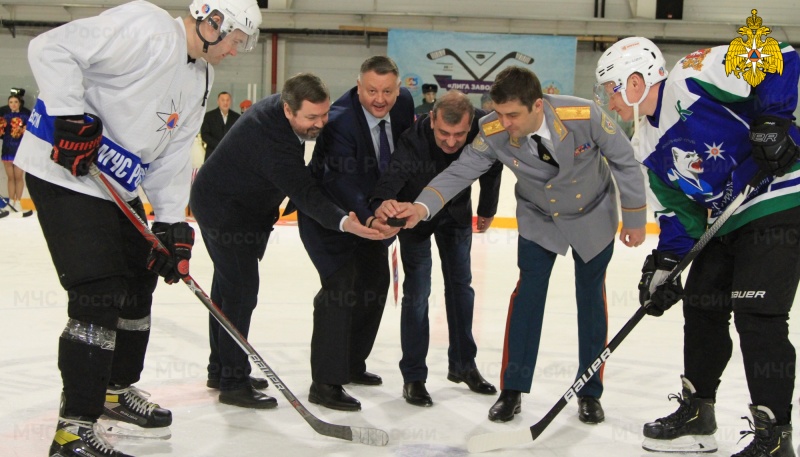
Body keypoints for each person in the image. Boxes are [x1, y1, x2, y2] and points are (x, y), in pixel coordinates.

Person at [14, 0, 262, 455]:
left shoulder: (201, 74)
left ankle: (114, 390)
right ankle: (73, 430)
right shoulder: (146, 26)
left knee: (139, 281)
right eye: (235, 40)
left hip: (115, 184)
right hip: (65, 171)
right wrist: (69, 112)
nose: (236, 51)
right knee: (98, 293)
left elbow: (170, 152)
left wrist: (170, 223)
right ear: (211, 22)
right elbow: (51, 48)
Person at [385, 66, 647, 424]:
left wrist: (634, 216)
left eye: (512, 115)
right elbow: (461, 171)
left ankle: (589, 391)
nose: (503, 122)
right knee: (527, 298)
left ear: (537, 105)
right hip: (539, 216)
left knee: (590, 299)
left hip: (593, 214)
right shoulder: (493, 130)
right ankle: (513, 390)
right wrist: (421, 206)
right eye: (498, 112)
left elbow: (624, 161)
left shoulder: (584, 114)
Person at [594, 33, 800, 456]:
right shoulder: (644, 144)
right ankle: (698, 414)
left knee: (757, 313)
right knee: (702, 304)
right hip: (728, 218)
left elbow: (778, 54)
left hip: (780, 193)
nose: (608, 101)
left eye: (610, 90)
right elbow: (678, 213)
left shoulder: (692, 74)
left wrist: (774, 120)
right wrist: (666, 265)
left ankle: (775, 436)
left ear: (634, 83)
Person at [190, 73, 384, 409]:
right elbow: (305, 194)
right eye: (311, 118)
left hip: (238, 206)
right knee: (240, 289)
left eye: (324, 115)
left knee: (227, 286)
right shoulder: (271, 142)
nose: (320, 124)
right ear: (287, 110)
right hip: (225, 212)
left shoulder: (281, 112)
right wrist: (344, 222)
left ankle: (221, 368)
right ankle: (233, 383)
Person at [295, 55, 414, 411]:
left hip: (372, 212)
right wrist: (369, 215)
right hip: (329, 215)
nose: (380, 99)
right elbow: (339, 178)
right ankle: (325, 383)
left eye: (388, 91)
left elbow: (406, 154)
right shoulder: (341, 119)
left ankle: (350, 363)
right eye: (372, 90)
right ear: (358, 85)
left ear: (398, 88)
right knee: (340, 287)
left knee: (375, 284)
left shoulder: (405, 103)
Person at [371, 90, 502, 407]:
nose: (452, 142)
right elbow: (394, 176)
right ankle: (413, 376)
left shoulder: (483, 128)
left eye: (459, 134)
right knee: (418, 292)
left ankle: (464, 365)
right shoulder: (413, 138)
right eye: (444, 133)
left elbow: (493, 165)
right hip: (415, 217)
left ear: (470, 122)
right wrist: (379, 206)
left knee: (461, 288)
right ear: (432, 120)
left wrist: (486, 209)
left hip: (456, 215)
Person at [2, 93, 31, 213]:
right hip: (7, 148)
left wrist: (25, 130)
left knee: (18, 177)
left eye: (15, 102)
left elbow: (30, 131)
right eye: (11, 102)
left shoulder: (25, 115)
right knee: (10, 177)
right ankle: (10, 201)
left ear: (19, 103)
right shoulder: (4, 116)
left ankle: (18, 201)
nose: (13, 104)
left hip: (19, 148)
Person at [201, 91, 240, 161]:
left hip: (231, 155)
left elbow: (239, 135)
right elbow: (205, 135)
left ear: (230, 102)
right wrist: (219, 145)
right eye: (223, 100)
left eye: (227, 100)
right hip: (212, 155)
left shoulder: (236, 117)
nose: (225, 103)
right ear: (218, 102)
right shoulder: (209, 116)